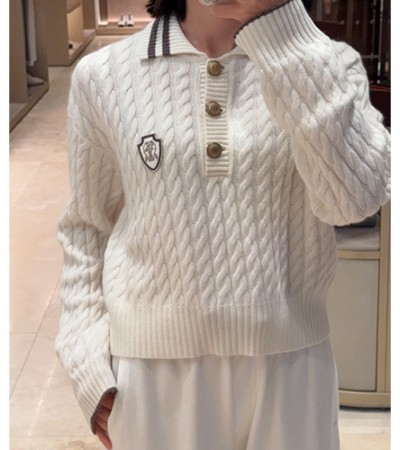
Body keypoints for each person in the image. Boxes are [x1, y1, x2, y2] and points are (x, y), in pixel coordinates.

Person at [55, 0, 391, 449]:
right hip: (152, 372)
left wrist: (283, 31)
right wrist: (84, 356)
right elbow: (86, 228)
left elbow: (354, 202)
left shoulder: (328, 62)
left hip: (292, 366)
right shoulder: (104, 75)